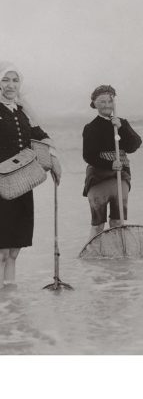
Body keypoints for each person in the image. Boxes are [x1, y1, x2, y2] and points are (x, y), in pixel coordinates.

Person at [0, 62, 62, 288]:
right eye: (5, 79)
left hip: (22, 185)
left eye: (15, 80)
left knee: (14, 251)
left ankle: (9, 300)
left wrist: (54, 159)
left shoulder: (23, 112)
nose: (10, 85)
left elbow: (41, 137)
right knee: (1, 252)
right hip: (1, 186)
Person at [83, 85, 142, 238]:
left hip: (121, 176)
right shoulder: (91, 127)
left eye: (110, 101)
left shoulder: (122, 123)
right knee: (98, 224)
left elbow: (134, 145)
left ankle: (117, 258)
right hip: (98, 178)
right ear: (94, 103)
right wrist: (109, 164)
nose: (107, 105)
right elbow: (88, 156)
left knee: (118, 221)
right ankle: (93, 257)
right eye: (102, 102)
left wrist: (121, 128)